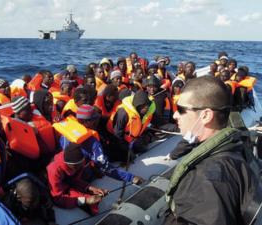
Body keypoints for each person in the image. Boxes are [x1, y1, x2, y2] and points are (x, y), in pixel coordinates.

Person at [163, 76, 262, 225]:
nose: (175, 115)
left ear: (205, 115)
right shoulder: (238, 146)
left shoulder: (205, 180)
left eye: (181, 109)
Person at [59, 105, 143, 184]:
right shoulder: (92, 142)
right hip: (79, 177)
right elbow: (106, 168)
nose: (97, 121)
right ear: (86, 122)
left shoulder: (66, 134)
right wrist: (132, 178)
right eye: (95, 119)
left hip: (63, 173)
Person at [46, 142, 108, 215]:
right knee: (83, 199)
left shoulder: (79, 164)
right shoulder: (54, 170)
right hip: (57, 188)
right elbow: (58, 198)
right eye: (77, 166)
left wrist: (90, 188)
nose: (80, 167)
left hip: (67, 182)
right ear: (68, 164)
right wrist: (85, 200)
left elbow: (75, 180)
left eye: (81, 164)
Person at [106, 91, 155, 162]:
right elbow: (117, 136)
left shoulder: (144, 112)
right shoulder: (123, 113)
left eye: (147, 105)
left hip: (132, 138)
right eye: (143, 105)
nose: (146, 108)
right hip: (116, 140)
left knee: (143, 148)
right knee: (129, 157)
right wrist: (127, 149)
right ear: (137, 105)